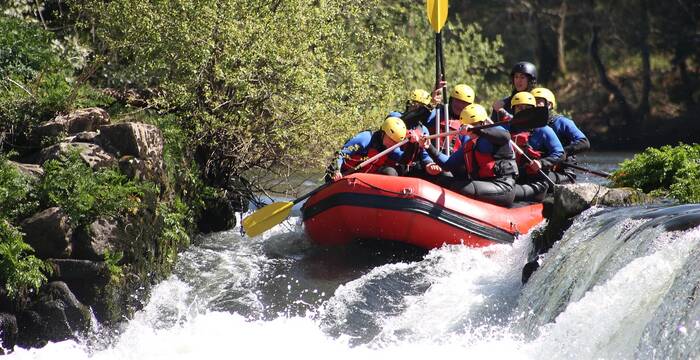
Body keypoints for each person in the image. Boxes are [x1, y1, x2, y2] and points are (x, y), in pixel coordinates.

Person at [418, 104, 518, 207]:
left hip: (503, 186)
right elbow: (448, 164)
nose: (471, 128)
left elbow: (505, 137)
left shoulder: (496, 132)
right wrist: (429, 146)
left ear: (483, 123)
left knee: (458, 186)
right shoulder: (469, 145)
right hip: (483, 185)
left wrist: (477, 129)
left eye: (474, 124)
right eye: (468, 125)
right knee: (443, 180)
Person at [506, 92, 565, 202]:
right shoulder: (506, 128)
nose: (523, 111)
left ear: (533, 110)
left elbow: (560, 154)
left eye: (527, 108)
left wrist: (541, 163)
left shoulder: (543, 130)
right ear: (513, 110)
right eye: (519, 107)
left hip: (537, 180)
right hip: (514, 178)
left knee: (510, 193)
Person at [531, 87, 590, 184]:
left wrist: (561, 154)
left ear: (549, 105)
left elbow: (584, 142)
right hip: (541, 168)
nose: (535, 104)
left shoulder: (562, 122)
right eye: (532, 102)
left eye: (538, 101)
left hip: (564, 173)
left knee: (536, 177)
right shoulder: (530, 126)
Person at [325, 117, 407, 182]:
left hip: (364, 181)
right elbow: (340, 154)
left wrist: (414, 144)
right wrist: (336, 171)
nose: (392, 144)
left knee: (391, 172)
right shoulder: (364, 139)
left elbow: (405, 159)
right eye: (390, 139)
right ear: (383, 133)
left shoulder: (392, 149)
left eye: (395, 142)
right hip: (342, 175)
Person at [386, 89, 443, 179]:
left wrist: (429, 164)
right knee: (391, 172)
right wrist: (430, 105)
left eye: (420, 106)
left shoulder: (423, 130)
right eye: (414, 105)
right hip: (391, 163)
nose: (415, 108)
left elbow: (425, 155)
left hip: (410, 168)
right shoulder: (394, 116)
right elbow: (404, 120)